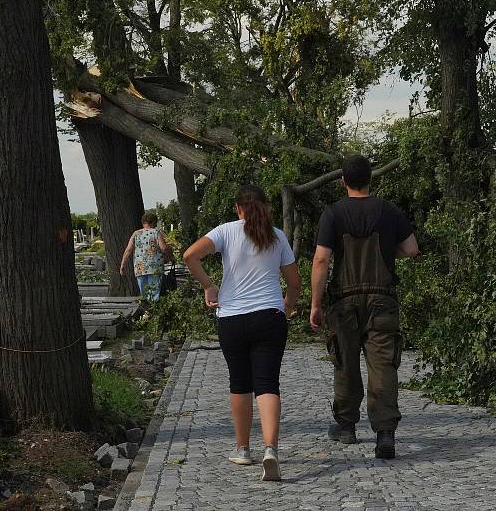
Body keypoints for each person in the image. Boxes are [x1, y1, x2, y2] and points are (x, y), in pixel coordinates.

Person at [183, 185, 300, 482]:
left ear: (238, 208)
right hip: (269, 316)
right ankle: (271, 448)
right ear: (265, 206)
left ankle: (242, 448)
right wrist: (286, 306)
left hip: (232, 318)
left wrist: (209, 286)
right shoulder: (277, 236)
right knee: (267, 383)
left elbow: (190, 256)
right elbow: (295, 282)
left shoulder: (225, 232)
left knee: (239, 382)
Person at [310, 155, 419, 460]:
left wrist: (315, 304)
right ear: (371, 179)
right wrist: (386, 254)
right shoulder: (388, 210)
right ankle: (384, 432)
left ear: (343, 181)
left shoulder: (333, 213)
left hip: (344, 301)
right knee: (383, 364)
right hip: (382, 299)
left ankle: (346, 426)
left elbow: (321, 260)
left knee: (345, 361)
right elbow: (411, 249)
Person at [121, 211, 170, 300]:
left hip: (140, 266)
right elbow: (163, 248)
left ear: (143, 222)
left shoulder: (136, 234)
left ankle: (145, 310)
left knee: (143, 292)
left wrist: (123, 264)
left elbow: (128, 250)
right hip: (155, 266)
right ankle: (153, 310)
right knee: (154, 292)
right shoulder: (156, 232)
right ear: (153, 222)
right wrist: (167, 257)